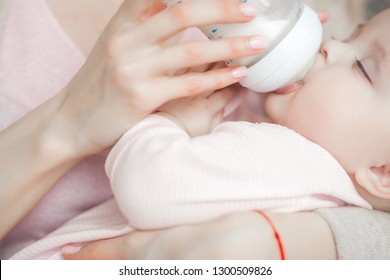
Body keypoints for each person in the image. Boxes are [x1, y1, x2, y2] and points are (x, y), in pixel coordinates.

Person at [1, 0, 389, 260]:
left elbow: (151, 186)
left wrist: (170, 121)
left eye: (363, 68)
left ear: (384, 173)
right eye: (350, 37)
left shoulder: (290, 154)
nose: (330, 46)